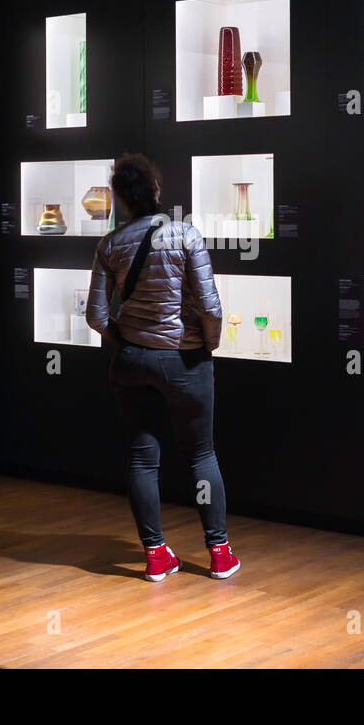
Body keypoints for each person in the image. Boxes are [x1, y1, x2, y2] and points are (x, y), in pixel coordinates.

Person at [86, 153, 239, 582]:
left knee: (141, 458)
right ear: (155, 192)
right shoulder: (186, 235)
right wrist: (206, 346)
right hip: (184, 360)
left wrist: (125, 340)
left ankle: (155, 555)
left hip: (132, 361)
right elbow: (210, 305)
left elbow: (97, 316)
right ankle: (219, 552)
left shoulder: (110, 244)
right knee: (202, 455)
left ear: (120, 199)